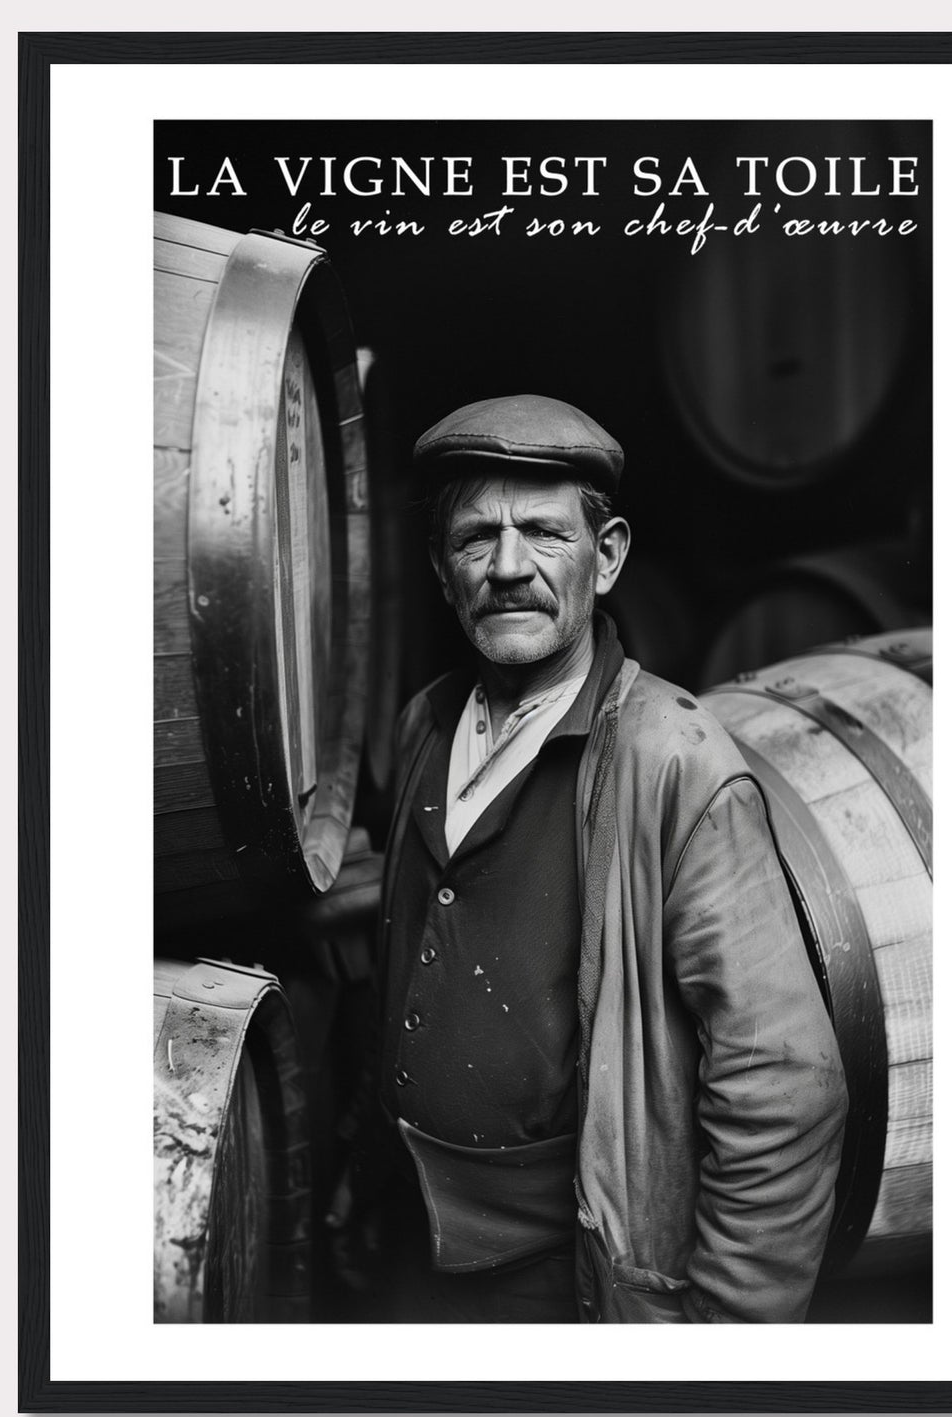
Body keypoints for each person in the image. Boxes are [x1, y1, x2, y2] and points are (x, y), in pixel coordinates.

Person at [361, 394, 847, 1324]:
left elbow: (784, 1083)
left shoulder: (672, 760)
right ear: (439, 565)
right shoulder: (423, 722)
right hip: (404, 1254)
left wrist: (724, 1351)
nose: (508, 568)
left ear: (608, 555)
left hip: (566, 1280)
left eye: (544, 533)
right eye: (475, 537)